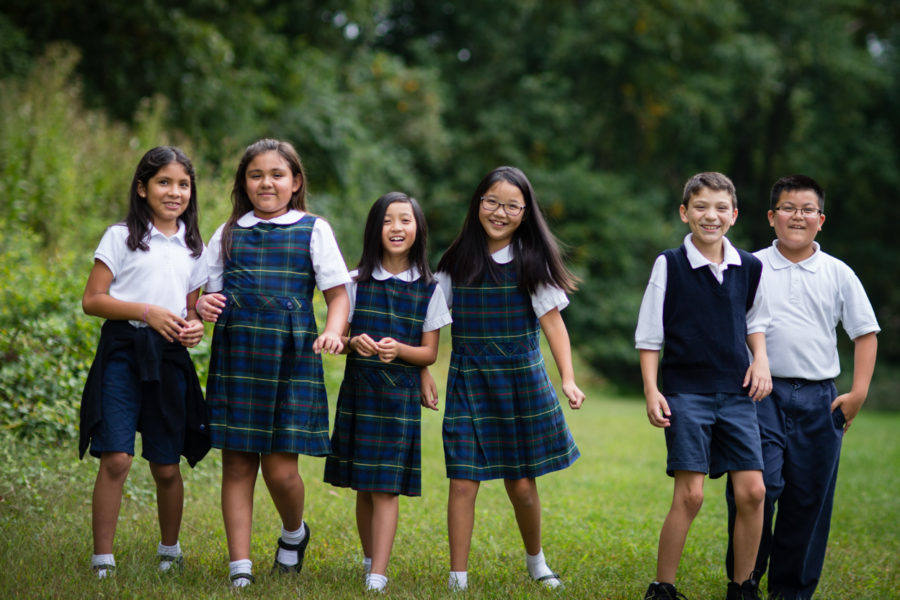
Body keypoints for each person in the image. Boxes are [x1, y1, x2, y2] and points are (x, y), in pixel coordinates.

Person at [196, 138, 351, 587]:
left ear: (295, 181)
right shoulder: (228, 234)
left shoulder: (313, 229)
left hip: (292, 357)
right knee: (238, 464)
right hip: (238, 356)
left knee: (281, 471)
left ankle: (293, 532)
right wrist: (205, 307)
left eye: (277, 174)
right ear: (244, 183)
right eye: (256, 174)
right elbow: (206, 295)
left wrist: (332, 331)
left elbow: (338, 294)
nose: (267, 182)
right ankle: (239, 568)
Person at [724, 175, 879, 600]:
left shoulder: (838, 273)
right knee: (758, 488)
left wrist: (858, 393)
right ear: (772, 217)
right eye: (789, 208)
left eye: (807, 209)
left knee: (809, 498)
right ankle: (745, 580)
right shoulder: (748, 266)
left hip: (819, 399)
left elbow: (865, 334)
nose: (798, 216)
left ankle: (791, 591)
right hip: (757, 395)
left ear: (821, 220)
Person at [430, 165, 584, 591]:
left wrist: (568, 379)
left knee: (521, 483)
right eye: (492, 202)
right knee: (463, 479)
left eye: (511, 205)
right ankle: (457, 576)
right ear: (478, 203)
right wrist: (424, 368)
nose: (500, 212)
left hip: (520, 381)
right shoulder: (455, 262)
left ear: (525, 211)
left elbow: (554, 326)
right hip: (468, 380)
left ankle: (536, 561)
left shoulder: (530, 262)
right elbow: (428, 322)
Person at [635, 172, 772, 600]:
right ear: (684, 213)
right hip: (685, 394)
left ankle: (743, 587)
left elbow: (756, 324)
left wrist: (761, 361)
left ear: (733, 215)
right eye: (700, 207)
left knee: (754, 491)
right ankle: (663, 587)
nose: (710, 216)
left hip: (737, 394)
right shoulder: (669, 264)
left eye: (719, 208)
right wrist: (651, 390)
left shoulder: (749, 266)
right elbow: (649, 335)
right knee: (690, 495)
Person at [79, 146, 210, 578]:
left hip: (169, 359)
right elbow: (92, 300)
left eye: (183, 184)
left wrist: (194, 327)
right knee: (115, 458)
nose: (175, 192)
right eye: (164, 182)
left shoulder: (195, 247)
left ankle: (169, 550)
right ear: (142, 188)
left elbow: (191, 310)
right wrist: (144, 312)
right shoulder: (121, 236)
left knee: (166, 466)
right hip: (122, 352)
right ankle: (103, 560)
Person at [323, 192, 452, 593]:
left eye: (406, 220)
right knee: (364, 483)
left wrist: (401, 351)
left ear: (419, 230)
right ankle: (368, 558)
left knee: (385, 486)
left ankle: (378, 572)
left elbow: (429, 351)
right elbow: (337, 338)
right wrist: (352, 342)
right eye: (388, 221)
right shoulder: (354, 281)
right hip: (360, 394)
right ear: (374, 229)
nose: (397, 228)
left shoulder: (430, 289)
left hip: (399, 400)